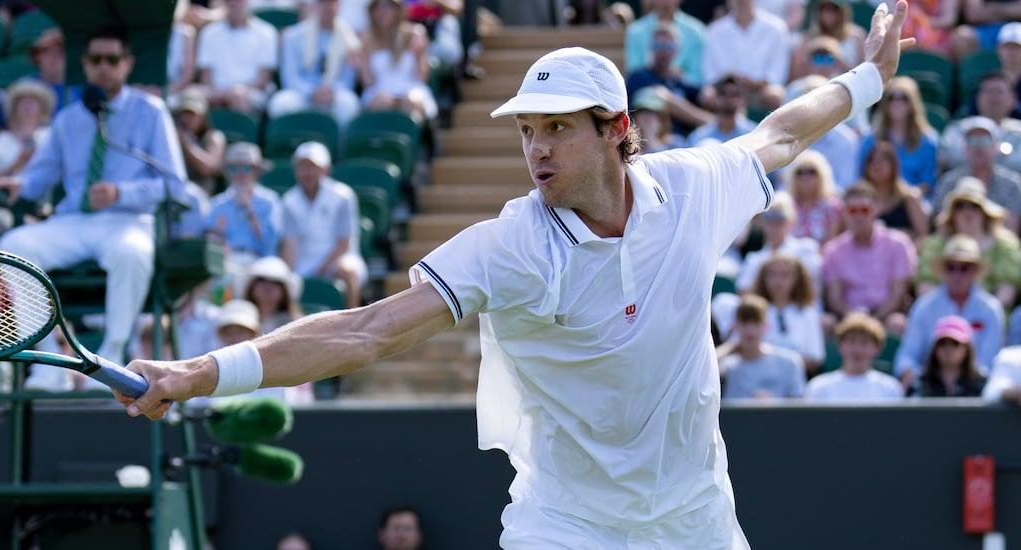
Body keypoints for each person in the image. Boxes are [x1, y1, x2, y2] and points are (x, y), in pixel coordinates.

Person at [114, 5, 914, 546]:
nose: (537, 150)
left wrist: (869, 79)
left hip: (694, 518)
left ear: (618, 131)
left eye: (559, 129)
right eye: (529, 130)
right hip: (564, 524)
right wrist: (196, 372)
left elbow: (780, 133)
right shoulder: (509, 245)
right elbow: (363, 332)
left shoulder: (694, 190)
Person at [0, 26, 187, 363]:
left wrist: (120, 193)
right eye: (96, 59)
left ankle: (112, 359)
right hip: (74, 221)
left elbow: (175, 186)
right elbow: (40, 175)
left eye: (112, 59)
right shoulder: (68, 118)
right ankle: (49, 360)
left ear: (128, 64)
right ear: (85, 64)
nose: (104, 67)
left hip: (127, 221)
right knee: (14, 246)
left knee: (132, 253)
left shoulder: (151, 111)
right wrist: (18, 184)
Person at [894, 234, 1004, 384]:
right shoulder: (925, 306)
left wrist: (967, 383)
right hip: (930, 389)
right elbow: (907, 356)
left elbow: (990, 360)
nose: (957, 274)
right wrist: (915, 377)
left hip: (976, 391)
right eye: (951, 267)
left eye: (964, 268)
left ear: (974, 271)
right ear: (944, 271)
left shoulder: (991, 308)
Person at [281, 141, 365, 309]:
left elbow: (343, 244)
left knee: (348, 271)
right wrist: (288, 274)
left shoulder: (343, 196)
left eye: (312, 167)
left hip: (338, 259)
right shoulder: (289, 201)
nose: (306, 173)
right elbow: (290, 244)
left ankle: (353, 320)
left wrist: (320, 270)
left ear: (325, 169)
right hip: (303, 261)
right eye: (302, 167)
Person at [821, 183, 917, 332]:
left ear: (876, 209)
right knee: (825, 323)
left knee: (898, 323)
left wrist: (875, 319)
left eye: (864, 210)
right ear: (845, 213)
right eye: (853, 210)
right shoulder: (833, 250)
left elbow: (898, 292)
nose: (859, 216)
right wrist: (854, 318)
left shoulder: (898, 244)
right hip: (847, 320)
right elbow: (835, 298)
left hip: (886, 317)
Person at [916, 177, 1020, 308]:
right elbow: (926, 286)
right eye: (960, 206)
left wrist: (980, 312)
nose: (967, 212)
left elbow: (1007, 291)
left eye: (974, 206)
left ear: (984, 211)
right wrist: (951, 314)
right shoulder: (935, 244)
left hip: (989, 320)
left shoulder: (1005, 244)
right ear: (952, 213)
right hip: (941, 319)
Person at [269, 0, 363, 128]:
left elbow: (347, 80)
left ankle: (338, 146)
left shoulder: (350, 40)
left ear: (339, 6)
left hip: (332, 95)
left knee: (349, 104)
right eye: (322, 3)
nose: (327, 7)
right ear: (315, 6)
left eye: (331, 3)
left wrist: (330, 91)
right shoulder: (293, 36)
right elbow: (290, 78)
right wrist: (311, 92)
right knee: (281, 103)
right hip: (302, 94)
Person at [933, 116, 1021, 232]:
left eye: (984, 140)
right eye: (972, 141)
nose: (978, 146)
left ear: (996, 146)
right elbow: (942, 228)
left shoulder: (1012, 184)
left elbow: (1011, 231)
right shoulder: (948, 182)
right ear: (964, 148)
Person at [356, 0, 438, 123]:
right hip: (378, 91)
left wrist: (421, 54)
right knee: (381, 102)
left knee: (410, 102)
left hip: (412, 89)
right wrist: (362, 59)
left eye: (388, 6)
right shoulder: (367, 39)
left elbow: (421, 77)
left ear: (398, 10)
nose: (383, 12)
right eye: (378, 7)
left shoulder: (415, 34)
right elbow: (368, 82)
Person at [702, 0, 791, 110]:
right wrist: (732, 84)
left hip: (760, 90)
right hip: (725, 89)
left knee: (775, 95)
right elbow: (711, 74)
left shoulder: (777, 28)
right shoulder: (715, 30)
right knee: (707, 96)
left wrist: (756, 84)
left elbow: (777, 73)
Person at [209, 142, 282, 274]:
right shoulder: (217, 204)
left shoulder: (270, 201)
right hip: (226, 264)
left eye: (246, 168)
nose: (240, 174)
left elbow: (271, 245)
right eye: (233, 169)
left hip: (260, 264)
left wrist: (250, 211)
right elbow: (211, 241)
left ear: (256, 171)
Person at [195, 0, 279, 115]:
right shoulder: (209, 32)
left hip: (251, 92)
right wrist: (222, 94)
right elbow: (206, 77)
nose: (234, 3)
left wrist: (234, 92)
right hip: (215, 91)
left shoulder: (267, 32)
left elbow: (262, 81)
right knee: (190, 96)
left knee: (239, 97)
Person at [858, 77, 939, 194]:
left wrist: (906, 197)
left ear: (913, 104)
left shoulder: (927, 140)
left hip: (911, 201)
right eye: (892, 98)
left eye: (903, 98)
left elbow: (928, 182)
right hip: (876, 198)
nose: (897, 102)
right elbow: (861, 176)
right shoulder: (870, 139)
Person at [719, 295, 807, 400]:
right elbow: (700, 372)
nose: (750, 329)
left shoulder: (790, 363)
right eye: (744, 321)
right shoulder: (726, 367)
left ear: (766, 326)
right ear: (735, 327)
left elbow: (799, 407)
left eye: (756, 322)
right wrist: (728, 348)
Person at [751, 253, 826, 372]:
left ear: (797, 279)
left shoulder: (807, 313)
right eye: (772, 274)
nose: (778, 281)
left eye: (785, 275)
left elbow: (815, 358)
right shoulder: (752, 310)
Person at [805, 313, 904, 401]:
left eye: (864, 343)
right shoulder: (819, 387)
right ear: (840, 345)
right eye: (851, 341)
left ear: (877, 348)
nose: (857, 349)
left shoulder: (891, 388)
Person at [736, 192, 821, 292]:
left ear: (791, 221)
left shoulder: (806, 249)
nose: (774, 226)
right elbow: (745, 292)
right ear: (762, 223)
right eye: (769, 220)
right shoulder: (753, 259)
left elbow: (811, 290)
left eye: (780, 220)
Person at [856, 140, 928, 241]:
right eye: (872, 160)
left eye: (883, 160)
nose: (877, 165)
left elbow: (923, 236)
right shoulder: (857, 200)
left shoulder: (909, 199)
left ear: (894, 165)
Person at [0, 80, 55, 180]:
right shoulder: (2, 140)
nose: (27, 106)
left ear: (43, 107)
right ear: (14, 108)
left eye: (33, 102)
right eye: (23, 102)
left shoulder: (52, 136)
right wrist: (17, 164)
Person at [625, 0, 706, 87]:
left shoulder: (696, 31)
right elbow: (633, 72)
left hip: (684, 92)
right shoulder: (635, 31)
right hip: (646, 89)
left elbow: (698, 79)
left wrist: (677, 77)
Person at [910, 315, 987, 397]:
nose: (948, 349)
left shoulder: (981, 382)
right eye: (942, 343)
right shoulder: (921, 382)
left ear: (967, 348)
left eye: (955, 343)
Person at [169, 88, 227, 185]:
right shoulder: (171, 135)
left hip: (202, 193)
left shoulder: (214, 137)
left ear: (203, 116)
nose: (187, 118)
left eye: (192, 114)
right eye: (184, 113)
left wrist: (186, 143)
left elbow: (207, 168)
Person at [785, 150, 843, 244]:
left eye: (812, 172)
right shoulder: (788, 206)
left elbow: (831, 243)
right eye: (800, 172)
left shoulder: (832, 206)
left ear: (822, 176)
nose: (805, 177)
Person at [238, 255, 303, 333]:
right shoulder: (235, 318)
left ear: (284, 291)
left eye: (275, 283)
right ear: (251, 286)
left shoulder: (295, 325)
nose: (268, 288)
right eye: (262, 280)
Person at [687, 74, 755, 146]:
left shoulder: (752, 135)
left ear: (742, 100)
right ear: (715, 98)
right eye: (723, 93)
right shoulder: (699, 137)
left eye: (734, 94)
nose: (728, 98)